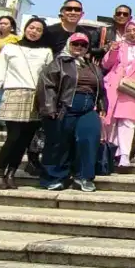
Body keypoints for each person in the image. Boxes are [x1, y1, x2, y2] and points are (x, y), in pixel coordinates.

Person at [0, 17, 53, 189]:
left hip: (35, 97)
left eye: (38, 29)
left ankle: (11, 173)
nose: (34, 31)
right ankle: (0, 173)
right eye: (31, 27)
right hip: (14, 94)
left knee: (25, 140)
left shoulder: (46, 52)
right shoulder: (10, 48)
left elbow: (49, 78)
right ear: (25, 28)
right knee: (13, 137)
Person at [37, 33, 106, 192]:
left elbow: (100, 89)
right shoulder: (58, 63)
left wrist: (102, 106)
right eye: (76, 44)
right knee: (59, 143)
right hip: (65, 106)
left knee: (89, 139)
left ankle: (84, 177)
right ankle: (55, 177)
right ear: (69, 44)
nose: (79, 47)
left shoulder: (92, 65)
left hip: (88, 107)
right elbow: (47, 85)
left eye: (83, 45)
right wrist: (49, 108)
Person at [101, 20, 135, 168]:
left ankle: (124, 154)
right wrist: (113, 51)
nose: (132, 33)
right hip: (113, 85)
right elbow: (106, 64)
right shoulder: (120, 45)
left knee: (127, 121)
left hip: (131, 87)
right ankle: (108, 152)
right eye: (129, 30)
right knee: (108, 120)